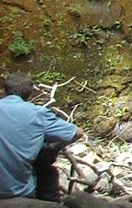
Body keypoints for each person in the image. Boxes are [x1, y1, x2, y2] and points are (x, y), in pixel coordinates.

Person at [0, 72, 83, 201]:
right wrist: (53, 147)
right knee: (48, 171)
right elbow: (77, 133)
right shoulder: (37, 113)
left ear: (4, 90)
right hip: (19, 192)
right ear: (30, 94)